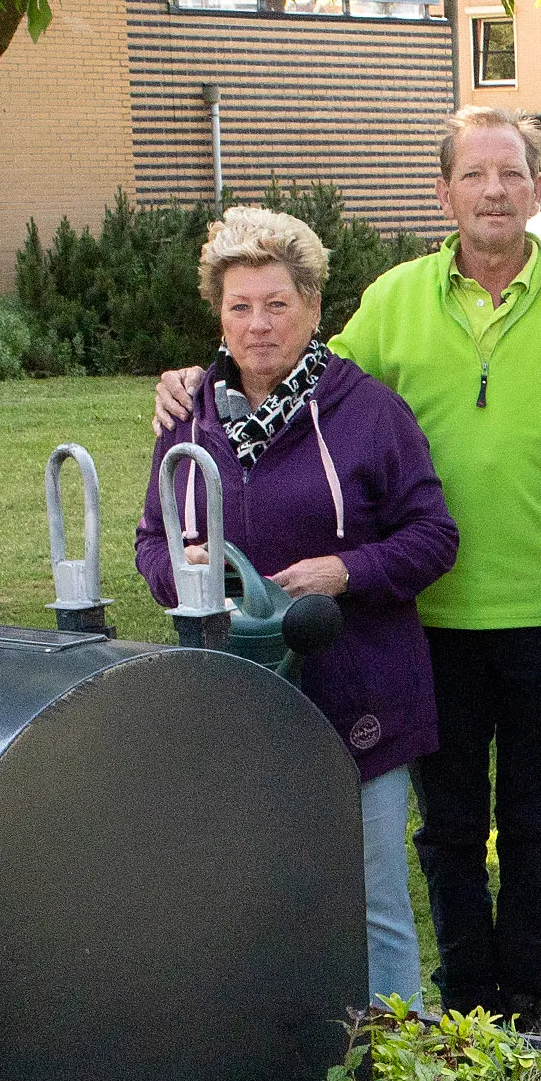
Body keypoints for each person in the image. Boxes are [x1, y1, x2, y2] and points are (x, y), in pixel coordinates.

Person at [152, 113, 541, 1034]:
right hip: (427, 623)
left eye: (512, 173)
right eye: (473, 175)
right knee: (448, 834)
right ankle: (463, 1010)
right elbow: (296, 381)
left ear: (537, 187)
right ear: (442, 194)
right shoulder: (397, 298)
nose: (493, 190)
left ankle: (525, 1006)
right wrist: (191, 383)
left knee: (535, 828)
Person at [136, 205, 461, 1005]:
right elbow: (151, 541)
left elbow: (433, 537)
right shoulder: (190, 418)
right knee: (258, 900)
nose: (258, 326)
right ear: (218, 314)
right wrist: (188, 574)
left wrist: (347, 571)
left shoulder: (368, 412)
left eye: (278, 305)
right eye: (240, 307)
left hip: (360, 690)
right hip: (236, 700)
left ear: (313, 308)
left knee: (373, 902)